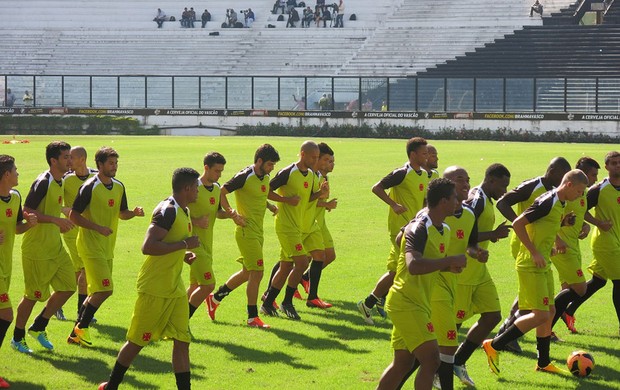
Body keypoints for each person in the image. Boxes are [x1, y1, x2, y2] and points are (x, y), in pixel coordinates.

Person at [97, 167, 200, 390]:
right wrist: (184, 245)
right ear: (187, 188)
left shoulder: (184, 210)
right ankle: (111, 386)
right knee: (136, 342)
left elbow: (168, 243)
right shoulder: (167, 210)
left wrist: (183, 255)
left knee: (182, 341)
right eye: (197, 187)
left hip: (175, 287)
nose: (199, 191)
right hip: (154, 287)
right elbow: (148, 246)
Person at [482, 169, 588, 376]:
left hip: (543, 262)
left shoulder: (561, 202)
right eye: (579, 190)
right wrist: (535, 252)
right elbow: (519, 223)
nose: (581, 195)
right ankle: (494, 345)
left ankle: (543, 362)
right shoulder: (548, 200)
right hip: (530, 264)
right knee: (540, 314)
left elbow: (544, 224)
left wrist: (553, 241)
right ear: (568, 185)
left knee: (549, 312)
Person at [376, 178, 466, 390]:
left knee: (403, 363)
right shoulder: (420, 226)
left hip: (419, 303)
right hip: (406, 302)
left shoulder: (442, 227)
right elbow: (414, 265)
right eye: (455, 198)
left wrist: (446, 267)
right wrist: (448, 261)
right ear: (443, 201)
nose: (459, 201)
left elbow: (403, 242)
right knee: (432, 360)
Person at [67, 147, 144, 347]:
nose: (114, 167)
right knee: (105, 289)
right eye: (111, 163)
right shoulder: (89, 187)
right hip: (89, 245)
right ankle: (81, 329)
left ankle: (75, 334)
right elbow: (73, 215)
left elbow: (122, 213)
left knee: (97, 291)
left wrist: (134, 213)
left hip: (107, 246)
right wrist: (97, 228)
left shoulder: (119, 186)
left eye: (116, 163)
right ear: (99, 165)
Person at [494, 156, 571, 352]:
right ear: (552, 171)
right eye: (562, 176)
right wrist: (521, 222)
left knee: (534, 293)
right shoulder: (532, 186)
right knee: (531, 292)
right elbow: (502, 203)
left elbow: (545, 221)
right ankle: (505, 333)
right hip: (524, 244)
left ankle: (513, 330)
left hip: (539, 245)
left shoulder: (556, 195)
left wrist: (558, 235)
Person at [205, 144, 281, 328]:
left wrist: (270, 206)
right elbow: (222, 191)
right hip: (246, 231)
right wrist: (232, 213)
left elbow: (260, 196)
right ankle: (252, 317)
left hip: (258, 231)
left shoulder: (265, 176)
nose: (272, 168)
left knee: (248, 272)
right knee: (258, 272)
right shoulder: (245, 176)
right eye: (270, 164)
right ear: (260, 161)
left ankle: (215, 298)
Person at [11, 141, 76, 354]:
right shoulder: (43, 181)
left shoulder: (61, 181)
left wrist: (59, 222)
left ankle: (39, 326)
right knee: (32, 295)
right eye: (65, 157)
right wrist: (55, 221)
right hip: (37, 251)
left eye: (69, 156)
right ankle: (17, 338)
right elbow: (27, 210)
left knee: (68, 285)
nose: (69, 160)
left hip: (54, 248)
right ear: (53, 160)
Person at [452, 163, 511, 387]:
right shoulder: (476, 200)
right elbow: (464, 233)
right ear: (491, 181)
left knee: (493, 316)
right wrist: (493, 234)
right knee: (453, 326)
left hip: (479, 271)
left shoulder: (486, 199)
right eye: (503, 186)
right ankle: (440, 369)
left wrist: (491, 237)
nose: (504, 191)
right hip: (465, 271)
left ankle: (458, 360)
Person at [358, 137, 429, 325]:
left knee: (396, 269)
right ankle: (372, 303)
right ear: (413, 155)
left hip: (413, 228)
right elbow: (377, 187)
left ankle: (374, 301)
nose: (427, 156)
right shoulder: (402, 173)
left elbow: (420, 200)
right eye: (424, 153)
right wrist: (394, 204)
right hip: (400, 229)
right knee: (404, 269)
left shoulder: (423, 175)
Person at [261, 141, 329, 320]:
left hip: (299, 226)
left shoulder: (312, 175)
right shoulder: (288, 172)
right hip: (286, 226)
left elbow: (307, 199)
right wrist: (285, 200)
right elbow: (265, 191)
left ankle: (267, 304)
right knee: (301, 263)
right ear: (302, 154)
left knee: (285, 266)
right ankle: (287, 302)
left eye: (317, 158)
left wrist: (320, 193)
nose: (316, 161)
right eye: (313, 157)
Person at [562, 152, 620, 335]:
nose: (618, 166)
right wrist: (597, 223)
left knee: (598, 282)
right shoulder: (599, 189)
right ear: (607, 167)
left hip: (617, 241)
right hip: (606, 243)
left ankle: (566, 309)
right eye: (614, 163)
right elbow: (581, 209)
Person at [550, 157, 600, 334]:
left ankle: (548, 331)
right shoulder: (565, 194)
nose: (595, 179)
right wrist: (557, 239)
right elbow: (550, 218)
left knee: (567, 289)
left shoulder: (582, 193)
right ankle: (546, 325)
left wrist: (585, 225)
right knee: (580, 288)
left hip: (573, 245)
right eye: (593, 175)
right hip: (563, 248)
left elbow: (580, 213)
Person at [0, 155, 37, 387]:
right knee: (6, 315)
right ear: (6, 175)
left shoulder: (15, 198)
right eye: (15, 169)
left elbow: (15, 228)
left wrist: (28, 225)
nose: (18, 173)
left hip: (6, 267)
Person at [55, 146, 98, 322]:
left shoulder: (96, 176)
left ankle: (57, 302)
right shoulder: (65, 178)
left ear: (82, 159)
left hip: (89, 230)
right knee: (85, 270)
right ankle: (83, 314)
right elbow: (55, 201)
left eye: (71, 157)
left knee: (76, 272)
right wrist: (68, 211)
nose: (68, 161)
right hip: (72, 230)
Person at [187, 152, 231, 321]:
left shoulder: (217, 188)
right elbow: (176, 211)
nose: (220, 174)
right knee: (208, 285)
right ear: (206, 168)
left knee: (194, 286)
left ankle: (171, 319)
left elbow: (217, 213)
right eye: (217, 171)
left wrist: (230, 214)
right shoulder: (192, 187)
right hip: (193, 244)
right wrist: (195, 221)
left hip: (207, 244)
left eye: (221, 171)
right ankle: (182, 322)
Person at [300, 143, 338, 297]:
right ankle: (273, 293)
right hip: (309, 222)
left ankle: (303, 279)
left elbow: (317, 199)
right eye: (328, 160)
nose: (332, 164)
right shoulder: (311, 176)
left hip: (320, 222)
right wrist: (326, 203)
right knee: (297, 259)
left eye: (333, 161)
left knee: (328, 256)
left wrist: (325, 205)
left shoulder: (323, 177)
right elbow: (307, 200)